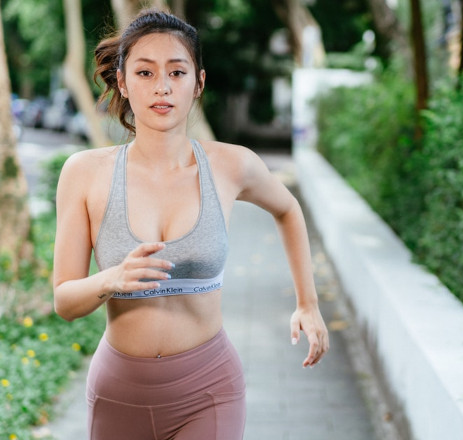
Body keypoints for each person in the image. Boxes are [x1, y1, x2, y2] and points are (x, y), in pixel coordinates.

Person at [52, 9, 329, 440]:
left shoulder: (231, 165)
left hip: (209, 390)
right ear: (122, 82)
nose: (162, 86)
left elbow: (288, 209)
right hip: (118, 392)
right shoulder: (85, 173)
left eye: (176, 72)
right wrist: (112, 278)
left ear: (197, 83)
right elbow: (65, 302)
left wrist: (307, 303)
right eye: (144, 72)